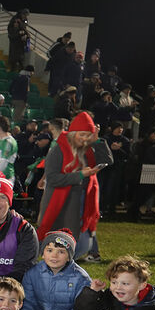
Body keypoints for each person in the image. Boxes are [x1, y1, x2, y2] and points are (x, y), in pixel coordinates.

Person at [37, 112, 111, 261]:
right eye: (82, 135)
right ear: (73, 133)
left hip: (83, 200)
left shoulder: (87, 149)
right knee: (64, 241)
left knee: (81, 244)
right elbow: (53, 178)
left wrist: (97, 141)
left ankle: (61, 264)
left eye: (88, 135)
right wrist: (80, 175)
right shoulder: (58, 150)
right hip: (62, 203)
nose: (85, 139)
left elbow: (107, 160)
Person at [0, 115, 17, 181]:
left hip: (5, 177)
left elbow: (4, 162)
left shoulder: (8, 142)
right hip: (0, 176)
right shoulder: (2, 140)